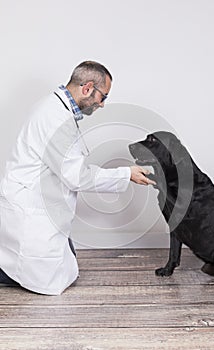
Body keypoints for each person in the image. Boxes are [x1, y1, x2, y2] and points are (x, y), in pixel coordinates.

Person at [0, 61, 155, 295]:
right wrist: (126, 174)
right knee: (46, 279)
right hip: (30, 207)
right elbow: (77, 177)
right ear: (87, 88)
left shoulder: (55, 108)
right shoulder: (55, 118)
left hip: (35, 201)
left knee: (64, 264)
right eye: (102, 97)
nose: (102, 104)